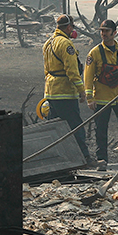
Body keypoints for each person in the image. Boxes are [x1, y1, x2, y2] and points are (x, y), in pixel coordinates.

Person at [84, 18, 118, 167]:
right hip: (102, 99)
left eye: (106, 31)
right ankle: (102, 160)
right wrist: (90, 98)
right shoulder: (94, 53)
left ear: (114, 33)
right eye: (102, 31)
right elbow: (87, 77)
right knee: (100, 131)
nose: (103, 34)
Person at [43, 14, 91, 160]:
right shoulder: (66, 44)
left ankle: (55, 159)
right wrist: (82, 91)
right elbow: (72, 71)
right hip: (64, 92)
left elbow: (46, 70)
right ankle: (84, 158)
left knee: (54, 129)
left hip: (51, 92)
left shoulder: (48, 43)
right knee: (75, 127)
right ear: (69, 27)